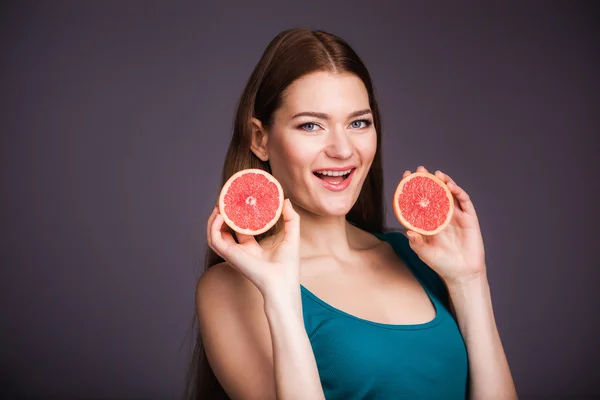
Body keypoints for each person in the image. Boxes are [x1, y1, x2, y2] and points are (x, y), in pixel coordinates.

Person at [184, 28, 517, 399]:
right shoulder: (232, 288)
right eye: (311, 125)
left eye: (358, 123)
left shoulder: (417, 256)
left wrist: (470, 281)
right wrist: (280, 297)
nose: (342, 150)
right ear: (260, 138)